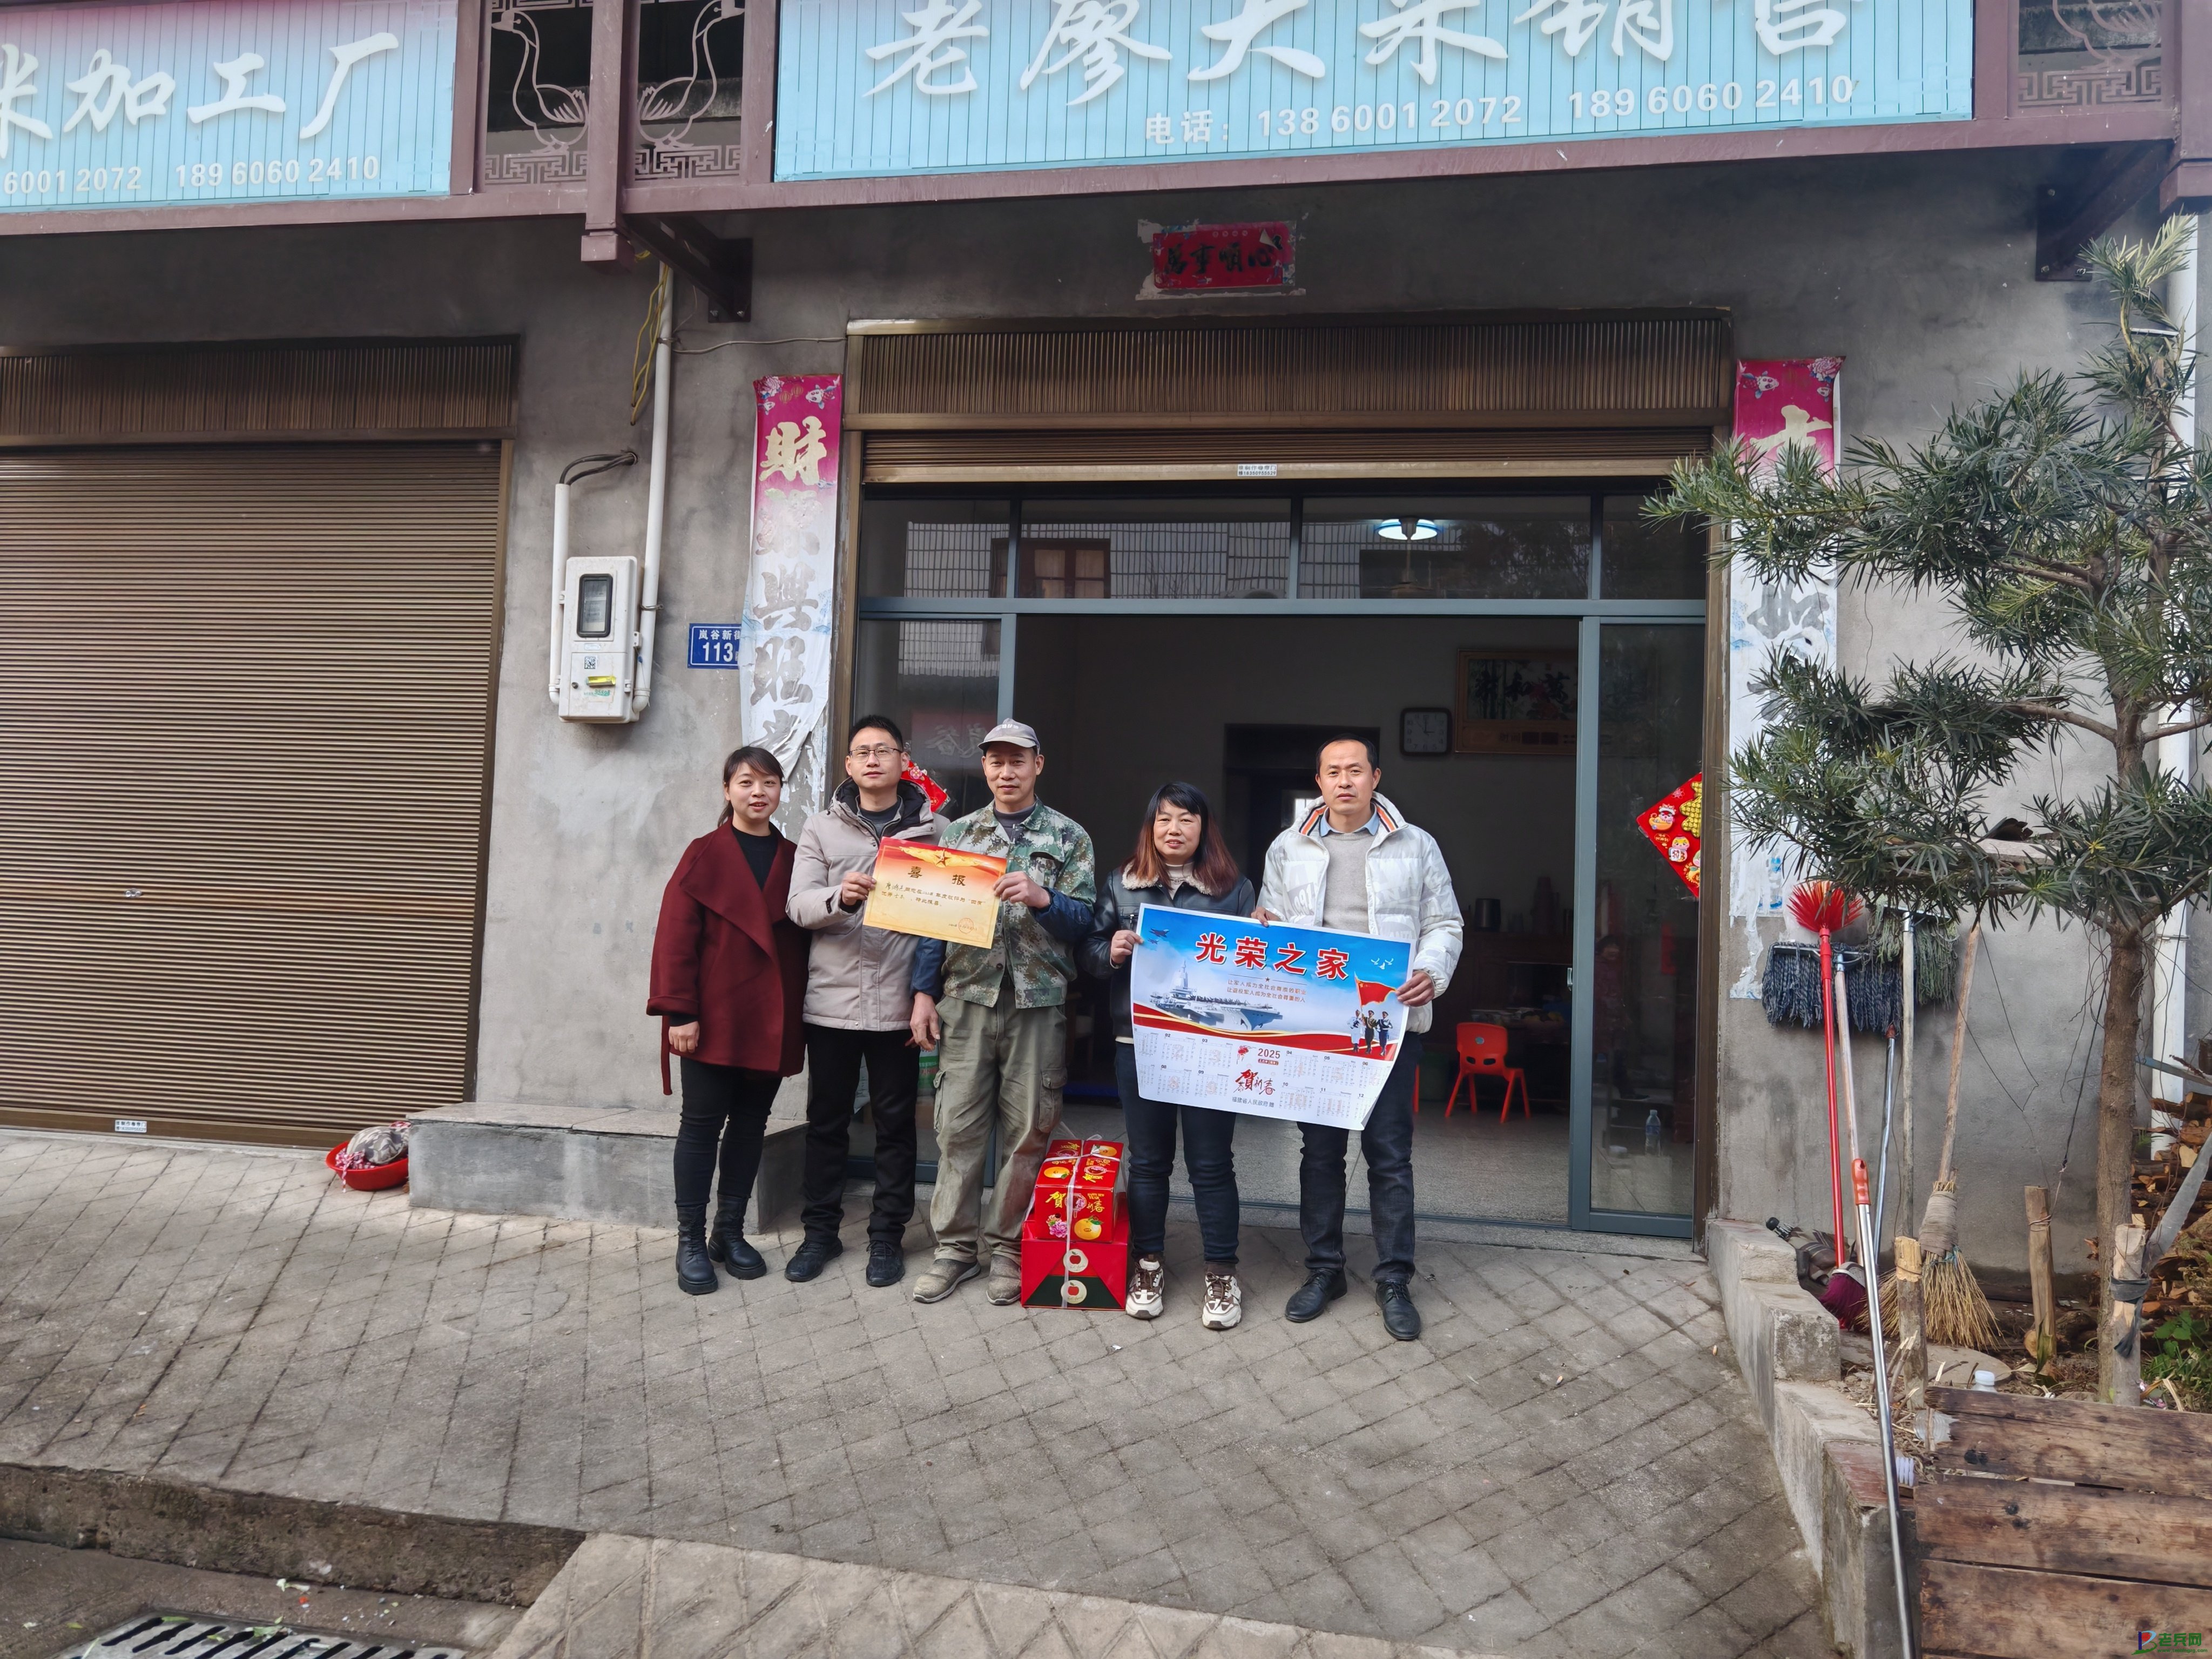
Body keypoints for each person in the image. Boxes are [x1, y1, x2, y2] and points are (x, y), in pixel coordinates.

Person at [1256, 734, 1462, 1340]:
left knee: (1389, 1155)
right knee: (1319, 1153)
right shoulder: (1288, 847)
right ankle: (1324, 1270)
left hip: (1386, 1024)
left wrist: (1432, 971)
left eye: (1354, 770)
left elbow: (1444, 922)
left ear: (1376, 778)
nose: (1343, 781)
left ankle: (1394, 1278)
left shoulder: (1415, 844)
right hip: (1316, 1024)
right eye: (1332, 772)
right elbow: (1269, 925)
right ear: (1318, 781)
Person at [908, 719, 1096, 1307]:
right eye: (996, 761)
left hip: (1037, 1003)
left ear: (1038, 765)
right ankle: (954, 1250)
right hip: (967, 997)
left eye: (1017, 761)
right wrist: (922, 994)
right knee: (957, 1129)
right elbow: (932, 922)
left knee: (1027, 1132)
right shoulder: (960, 834)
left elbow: (1085, 921)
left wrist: (1043, 899)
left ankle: (1009, 1249)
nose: (1006, 771)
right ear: (986, 767)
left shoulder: (1069, 837)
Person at [1080, 783, 1256, 1329]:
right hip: (1140, 1043)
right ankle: (1148, 1264)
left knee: (1211, 1163)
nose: (1174, 829)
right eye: (1164, 819)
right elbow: (1089, 953)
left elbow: (1253, 972)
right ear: (1150, 828)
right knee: (1149, 1161)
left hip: (1210, 1046)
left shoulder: (1234, 889)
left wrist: (1264, 939)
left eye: (1186, 819)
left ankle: (1221, 1273)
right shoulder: (1121, 883)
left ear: (1204, 828)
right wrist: (1109, 951)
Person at [785, 714, 943, 1289]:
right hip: (832, 1004)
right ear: (849, 765)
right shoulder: (821, 829)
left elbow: (945, 924)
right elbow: (798, 906)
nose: (873, 760)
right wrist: (840, 896)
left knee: (896, 1126)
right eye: (862, 752)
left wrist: (926, 993)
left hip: (899, 1003)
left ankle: (886, 1238)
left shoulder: (936, 831)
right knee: (827, 1123)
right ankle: (819, 1234)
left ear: (904, 760)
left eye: (884, 750)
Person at [648, 746, 810, 1294]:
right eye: (746, 782)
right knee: (700, 1126)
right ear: (727, 791)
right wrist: (680, 1012)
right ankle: (690, 1241)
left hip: (770, 1019)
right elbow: (675, 939)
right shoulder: (704, 853)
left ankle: (729, 1232)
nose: (758, 792)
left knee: (750, 1126)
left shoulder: (795, 858)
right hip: (713, 1018)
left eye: (769, 782)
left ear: (781, 790)